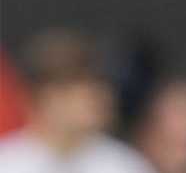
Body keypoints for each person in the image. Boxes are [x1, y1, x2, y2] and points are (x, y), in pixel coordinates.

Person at [0, 28, 156, 173]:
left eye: (98, 86)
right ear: (43, 96)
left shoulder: (125, 165)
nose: (97, 98)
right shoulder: (7, 163)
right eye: (73, 89)